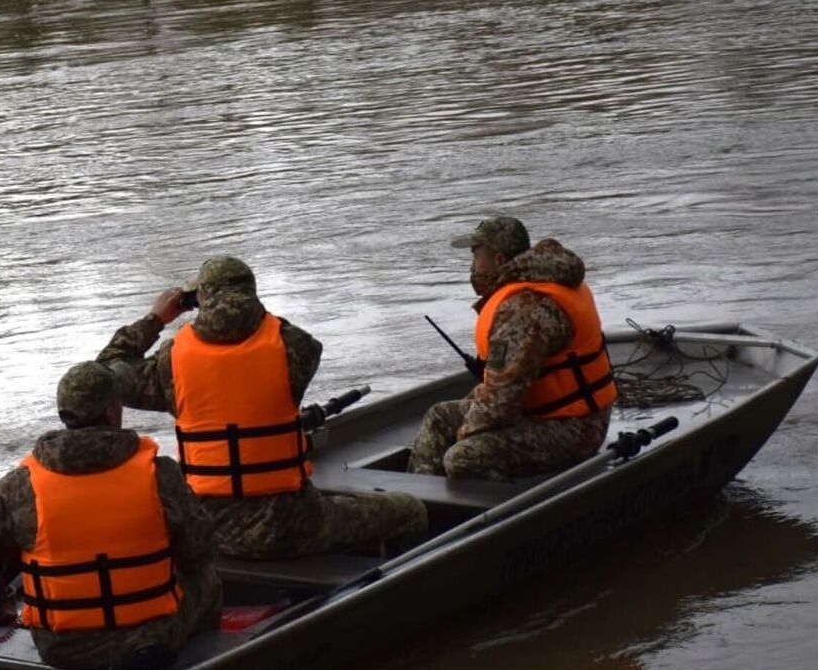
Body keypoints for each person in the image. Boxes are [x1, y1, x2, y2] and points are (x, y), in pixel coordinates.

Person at [96, 255, 428, 560]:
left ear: (199, 301)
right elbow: (282, 338)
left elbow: (105, 372)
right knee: (409, 510)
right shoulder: (293, 346)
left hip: (212, 530)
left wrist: (155, 319)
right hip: (292, 525)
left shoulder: (170, 363)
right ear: (253, 294)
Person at [0, 361, 221, 670]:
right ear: (113, 411)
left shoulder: (22, 485)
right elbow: (200, 549)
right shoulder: (159, 473)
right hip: (148, 637)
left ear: (64, 414)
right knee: (206, 576)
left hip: (61, 647)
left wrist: (17, 551)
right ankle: (208, 668)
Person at [409, 216, 616, 480]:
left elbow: (501, 406)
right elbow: (500, 390)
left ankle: (481, 516)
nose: (472, 266)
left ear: (498, 260)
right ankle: (418, 500)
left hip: (574, 428)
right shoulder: (535, 285)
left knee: (462, 457)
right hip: (545, 414)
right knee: (439, 418)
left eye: (476, 256)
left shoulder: (522, 310)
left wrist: (463, 434)